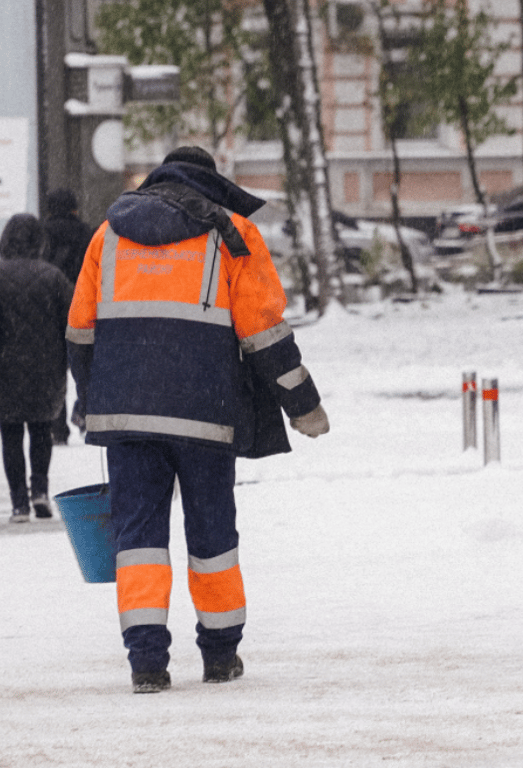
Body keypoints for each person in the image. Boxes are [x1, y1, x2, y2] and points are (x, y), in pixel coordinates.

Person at [67, 146, 330, 693]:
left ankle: (146, 662)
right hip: (205, 413)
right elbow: (264, 332)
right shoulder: (232, 234)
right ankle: (219, 654)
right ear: (211, 184)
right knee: (211, 533)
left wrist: (91, 398)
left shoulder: (107, 235)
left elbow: (79, 330)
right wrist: (302, 403)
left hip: (126, 414)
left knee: (137, 537)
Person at [0, 214, 73, 522]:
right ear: (39, 241)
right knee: (41, 429)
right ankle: (40, 491)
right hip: (46, 367)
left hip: (1, 366)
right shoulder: (53, 276)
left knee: (10, 434)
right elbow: (74, 319)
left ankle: (18, 503)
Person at [42, 188, 94, 444]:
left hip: (51, 310)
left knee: (55, 369)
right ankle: (84, 410)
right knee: (83, 364)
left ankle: (58, 427)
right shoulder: (87, 233)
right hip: (81, 305)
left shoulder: (43, 234)